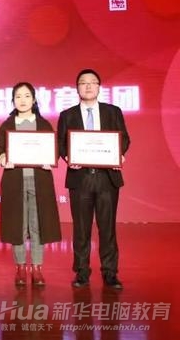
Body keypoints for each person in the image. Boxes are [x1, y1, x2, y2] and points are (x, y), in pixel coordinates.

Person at [57, 68, 130, 289]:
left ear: (99, 87)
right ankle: (82, 272)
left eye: (92, 82)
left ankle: (110, 273)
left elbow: (124, 138)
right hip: (80, 178)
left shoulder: (113, 111)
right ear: (77, 88)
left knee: (107, 228)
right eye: (83, 82)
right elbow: (61, 143)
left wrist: (119, 154)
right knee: (81, 229)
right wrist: (68, 157)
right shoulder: (67, 115)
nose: (88, 86)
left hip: (107, 178)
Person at [0, 82, 62, 286]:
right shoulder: (7, 125)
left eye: (26, 96)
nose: (22, 100)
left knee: (37, 225)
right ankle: (20, 267)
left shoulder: (43, 124)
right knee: (17, 225)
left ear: (34, 100)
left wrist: (50, 158)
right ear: (13, 101)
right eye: (18, 96)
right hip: (14, 180)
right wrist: (2, 157)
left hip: (39, 180)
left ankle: (37, 268)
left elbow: (53, 149)